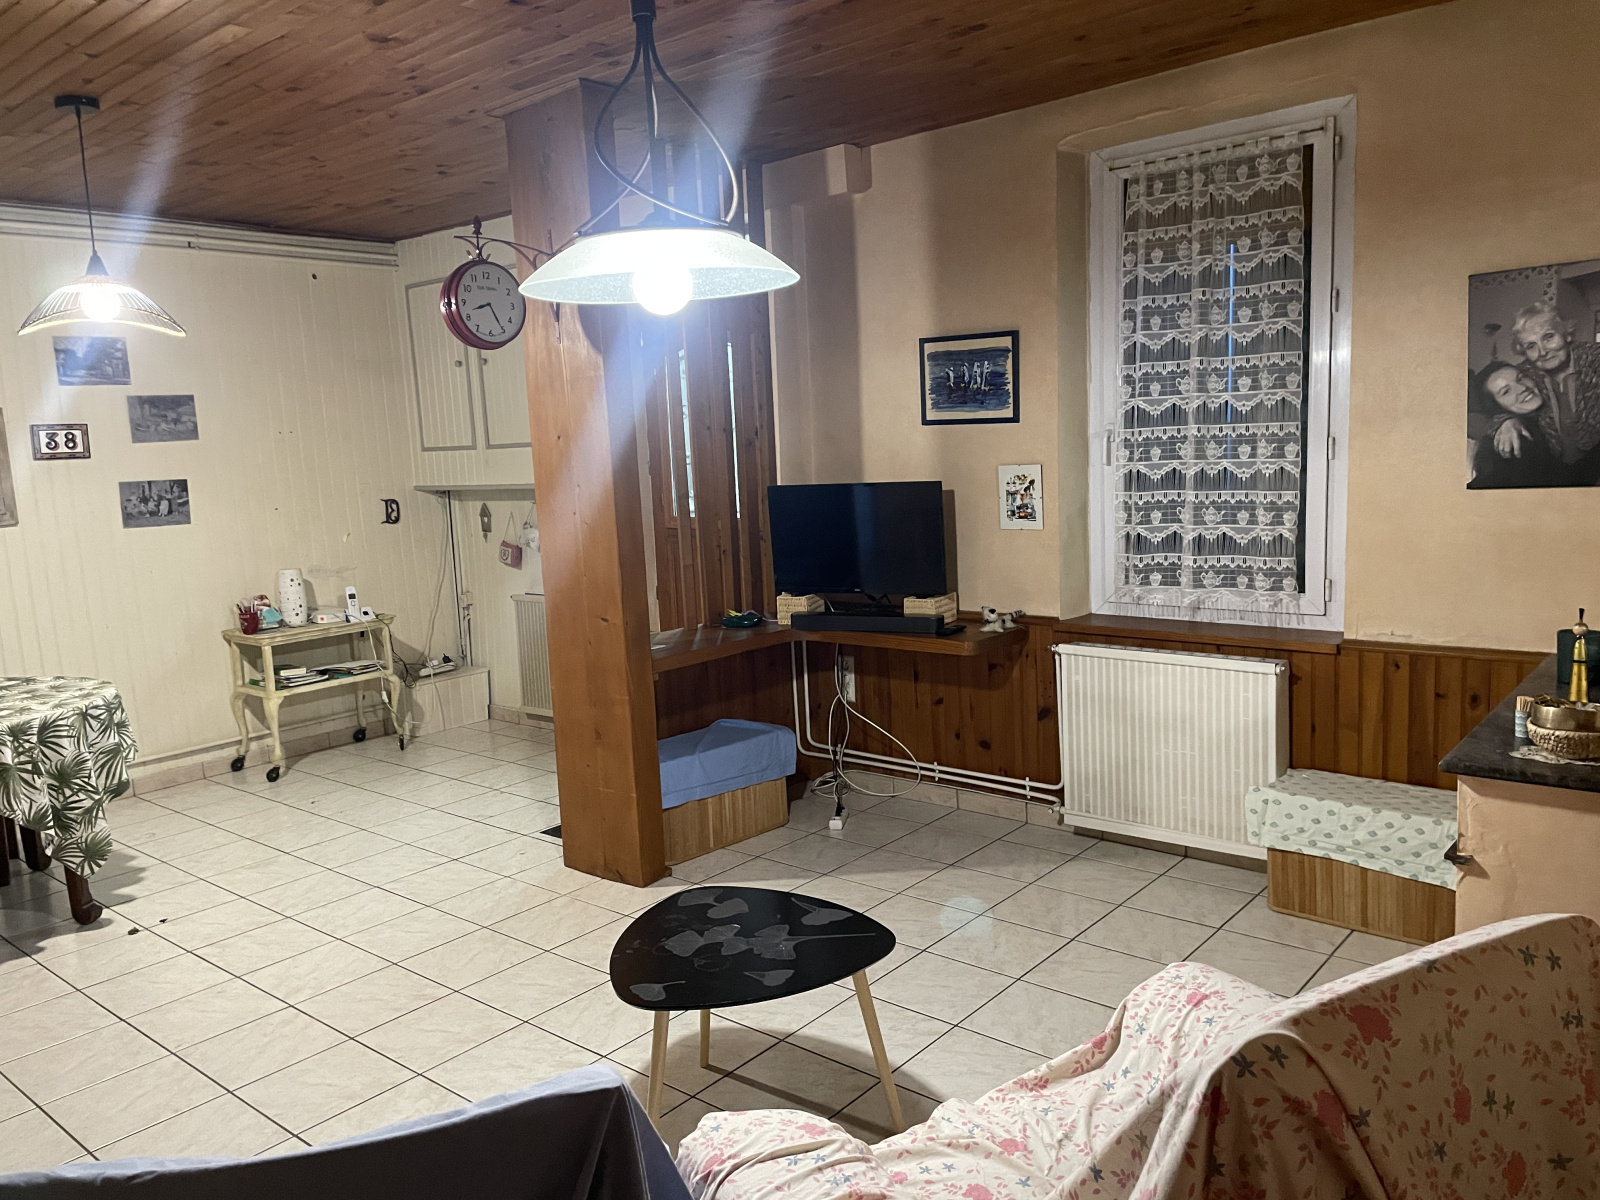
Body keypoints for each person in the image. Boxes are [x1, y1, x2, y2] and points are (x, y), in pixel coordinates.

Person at [1487, 301, 1600, 483]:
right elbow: (1496, 400)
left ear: (1566, 334)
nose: (1542, 352)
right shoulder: (1525, 374)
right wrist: (1506, 421)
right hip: (1559, 472)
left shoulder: (1595, 359)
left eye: (1548, 337)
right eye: (1531, 346)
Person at [1469, 361, 1565, 488]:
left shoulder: (1557, 403)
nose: (1522, 388)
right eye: (1506, 391)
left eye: (1521, 378)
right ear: (1496, 406)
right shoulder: (1516, 439)